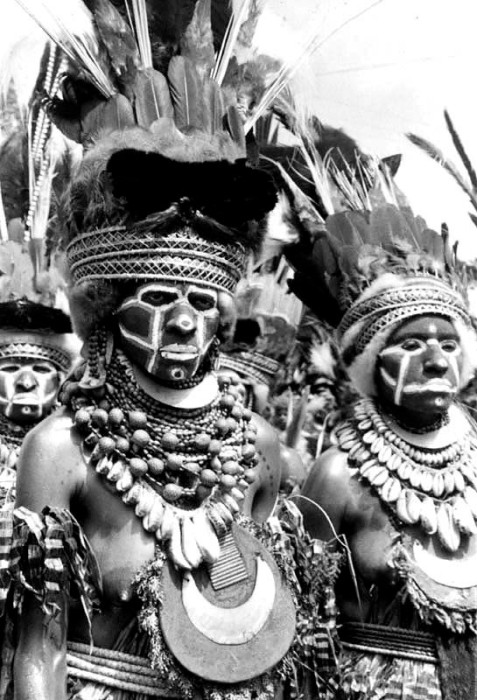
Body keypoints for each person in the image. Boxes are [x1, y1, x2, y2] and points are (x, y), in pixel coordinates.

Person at [0, 2, 313, 698]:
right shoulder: (60, 451)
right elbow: (39, 650)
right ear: (107, 310)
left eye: (202, 302)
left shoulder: (258, 448)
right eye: (160, 298)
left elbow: (272, 648)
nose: (183, 323)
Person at [292, 203, 477, 699]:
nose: (436, 361)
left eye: (449, 345)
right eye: (412, 345)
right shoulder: (339, 476)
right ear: (371, 359)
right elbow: (300, 631)